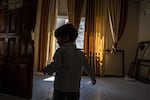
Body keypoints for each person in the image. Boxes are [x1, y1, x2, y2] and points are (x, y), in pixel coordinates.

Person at [43, 23, 96, 100]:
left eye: (58, 39)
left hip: (61, 88)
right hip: (75, 89)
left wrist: (47, 69)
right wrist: (93, 77)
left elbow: (56, 65)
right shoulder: (80, 54)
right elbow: (87, 67)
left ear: (66, 38)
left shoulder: (61, 51)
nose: (57, 42)